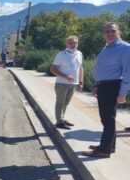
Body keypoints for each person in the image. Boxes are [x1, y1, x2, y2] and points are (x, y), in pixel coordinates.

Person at [82, 22, 130, 158]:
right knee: (106, 118)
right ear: (103, 34)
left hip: (113, 86)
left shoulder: (126, 48)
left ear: (119, 32)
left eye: (112, 31)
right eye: (106, 31)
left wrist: (122, 93)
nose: (109, 33)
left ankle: (104, 150)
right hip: (103, 86)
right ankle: (109, 146)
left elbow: (128, 72)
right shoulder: (106, 48)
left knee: (108, 119)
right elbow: (100, 68)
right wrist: (96, 84)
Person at [50, 36, 84, 130]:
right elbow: (53, 69)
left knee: (66, 102)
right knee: (60, 102)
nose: (73, 45)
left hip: (73, 84)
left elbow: (80, 68)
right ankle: (59, 122)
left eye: (75, 43)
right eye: (70, 43)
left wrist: (80, 82)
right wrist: (65, 76)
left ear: (77, 44)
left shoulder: (79, 54)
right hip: (61, 83)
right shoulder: (61, 55)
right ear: (66, 44)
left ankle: (62, 118)